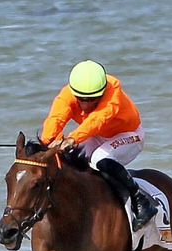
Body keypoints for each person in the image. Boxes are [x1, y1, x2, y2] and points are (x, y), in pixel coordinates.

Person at [40, 60, 158, 231]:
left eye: (92, 100)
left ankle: (141, 201)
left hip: (129, 136)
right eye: (82, 100)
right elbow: (56, 119)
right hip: (97, 136)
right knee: (69, 161)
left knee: (98, 159)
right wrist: (45, 144)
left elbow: (96, 120)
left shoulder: (113, 92)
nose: (86, 105)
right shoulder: (67, 95)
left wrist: (71, 139)